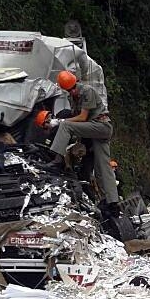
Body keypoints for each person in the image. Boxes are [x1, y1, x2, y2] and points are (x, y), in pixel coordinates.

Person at [46, 70, 119, 217]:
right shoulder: (73, 97)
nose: (72, 92)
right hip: (94, 131)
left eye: (72, 89)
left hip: (101, 127)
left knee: (66, 126)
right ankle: (111, 203)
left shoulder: (87, 91)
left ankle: (57, 160)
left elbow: (83, 117)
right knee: (102, 167)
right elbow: (77, 118)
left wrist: (61, 122)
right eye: (69, 90)